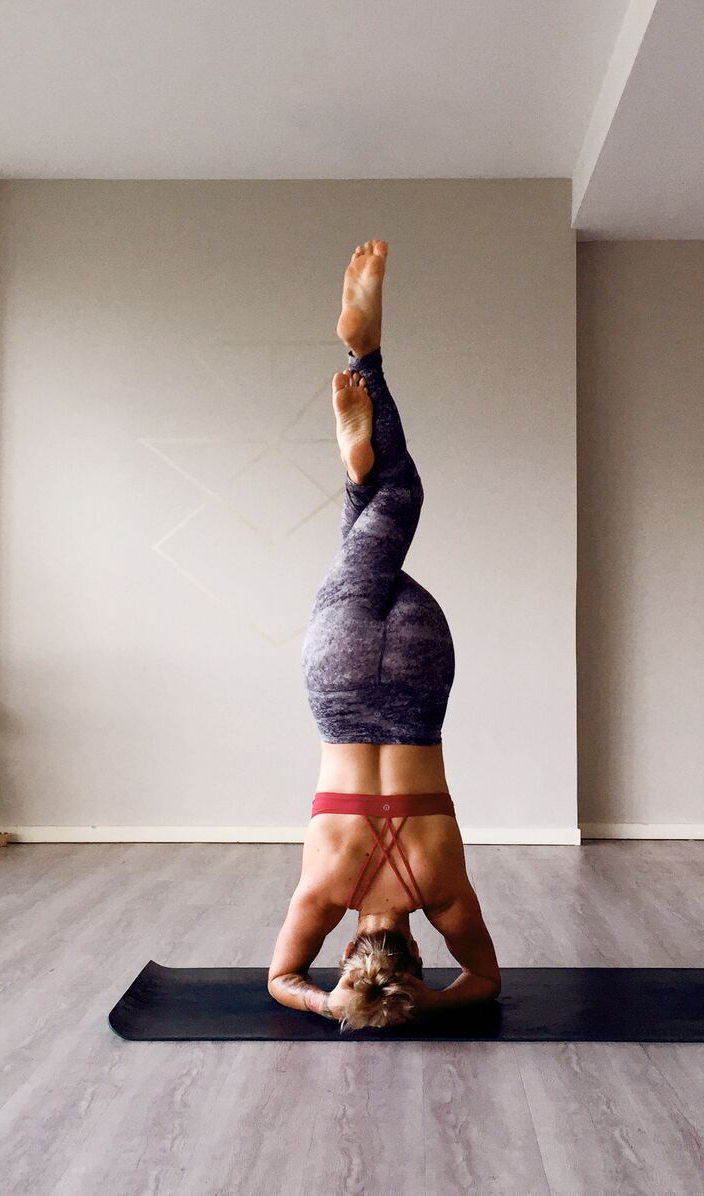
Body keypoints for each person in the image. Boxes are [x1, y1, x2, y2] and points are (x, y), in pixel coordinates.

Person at [267, 240, 501, 1031]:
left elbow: (486, 980)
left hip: (415, 669)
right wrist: (327, 999)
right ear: (347, 957)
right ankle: (360, 380)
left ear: (417, 957)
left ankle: (362, 381)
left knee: (384, 503)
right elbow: (279, 979)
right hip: (335, 676)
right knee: (375, 510)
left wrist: (432, 999)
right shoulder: (323, 891)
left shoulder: (444, 892)